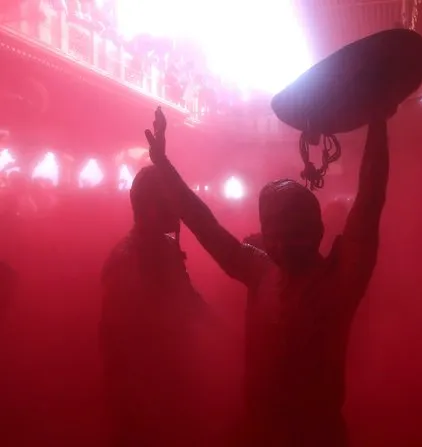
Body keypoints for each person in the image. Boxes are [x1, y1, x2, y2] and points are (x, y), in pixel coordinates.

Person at [145, 105, 390, 446]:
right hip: (260, 429)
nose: (281, 242)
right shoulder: (260, 270)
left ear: (317, 230)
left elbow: (369, 201)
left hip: (316, 435)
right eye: (272, 229)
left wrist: (377, 120)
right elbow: (204, 225)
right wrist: (165, 168)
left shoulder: (339, 280)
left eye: (292, 230)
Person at [99, 165, 210, 446]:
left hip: (165, 383)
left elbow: (187, 300)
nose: (178, 215)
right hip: (144, 393)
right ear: (150, 207)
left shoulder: (161, 248)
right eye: (171, 205)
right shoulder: (129, 259)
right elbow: (122, 340)